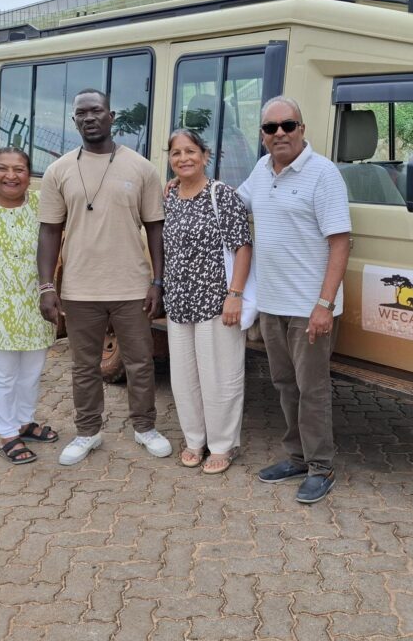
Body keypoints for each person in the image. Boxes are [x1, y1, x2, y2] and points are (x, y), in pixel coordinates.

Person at [37, 88, 171, 465]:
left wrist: (157, 281)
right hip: (79, 288)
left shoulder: (141, 168)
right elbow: (49, 231)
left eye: (96, 110)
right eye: (81, 113)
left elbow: (156, 228)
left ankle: (145, 427)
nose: (89, 118)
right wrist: (46, 286)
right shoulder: (59, 170)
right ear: (74, 121)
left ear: (111, 116)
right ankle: (87, 431)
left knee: (140, 363)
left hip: (131, 286)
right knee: (84, 366)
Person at [240, 96, 351, 503]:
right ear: (263, 136)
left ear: (302, 129)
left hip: (309, 308)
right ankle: (297, 457)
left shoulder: (323, 174)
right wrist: (188, 186)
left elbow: (341, 243)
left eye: (288, 125)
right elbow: (233, 202)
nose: (280, 133)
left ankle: (321, 466)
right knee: (285, 384)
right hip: (272, 304)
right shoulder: (261, 169)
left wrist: (325, 305)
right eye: (271, 128)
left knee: (312, 389)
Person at [163, 129, 252, 474]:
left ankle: (222, 446)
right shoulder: (170, 196)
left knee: (220, 378)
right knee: (184, 379)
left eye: (190, 151)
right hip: (179, 302)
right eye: (176, 153)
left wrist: (235, 294)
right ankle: (194, 440)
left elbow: (243, 247)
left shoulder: (222, 195)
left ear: (205, 156)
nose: (183, 158)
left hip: (216, 303)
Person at [0, 147, 57, 465]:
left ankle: (24, 422)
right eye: (2, 168)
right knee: (1, 375)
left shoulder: (43, 203)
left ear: (29, 175)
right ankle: (6, 434)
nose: (11, 176)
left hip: (36, 302)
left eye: (19, 169)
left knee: (31, 372)